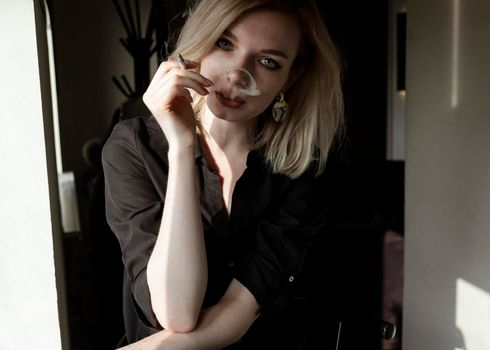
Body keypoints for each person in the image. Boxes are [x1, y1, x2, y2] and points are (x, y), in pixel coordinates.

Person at [101, 0, 346, 348]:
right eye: (225, 43)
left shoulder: (303, 168)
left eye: (267, 62)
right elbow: (176, 312)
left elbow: (238, 309)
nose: (237, 74)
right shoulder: (132, 147)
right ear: (199, 42)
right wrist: (183, 147)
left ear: (290, 78)